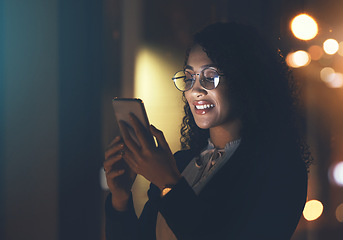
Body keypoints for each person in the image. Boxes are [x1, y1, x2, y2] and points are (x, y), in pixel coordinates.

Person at [103, 22, 311, 240]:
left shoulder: (279, 169)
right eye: (189, 77)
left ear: (246, 80)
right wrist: (120, 198)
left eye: (210, 76)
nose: (195, 90)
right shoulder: (181, 163)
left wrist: (170, 185)